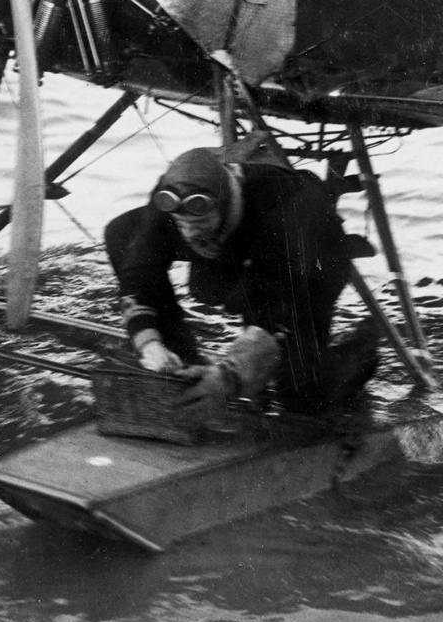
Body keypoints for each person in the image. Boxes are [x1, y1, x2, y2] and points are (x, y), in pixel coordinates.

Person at [104, 139, 379, 422]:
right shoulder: (171, 196)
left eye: (197, 221)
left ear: (223, 203)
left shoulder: (284, 207)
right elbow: (139, 274)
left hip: (310, 262)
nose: (187, 231)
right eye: (181, 223)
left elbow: (278, 307)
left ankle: (362, 348)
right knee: (122, 233)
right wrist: (150, 343)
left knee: (301, 395)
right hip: (228, 244)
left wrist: (230, 376)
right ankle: (181, 359)